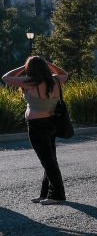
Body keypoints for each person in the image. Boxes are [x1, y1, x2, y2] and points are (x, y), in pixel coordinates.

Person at [2, 56, 69, 204]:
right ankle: (45, 193)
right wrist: (50, 64)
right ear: (45, 67)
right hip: (51, 124)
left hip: (37, 127)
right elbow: (65, 73)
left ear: (30, 69)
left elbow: (6, 77)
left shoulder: (29, 82)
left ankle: (58, 195)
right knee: (49, 159)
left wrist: (23, 67)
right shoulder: (55, 80)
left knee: (47, 160)